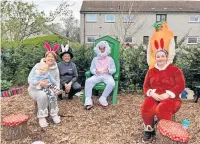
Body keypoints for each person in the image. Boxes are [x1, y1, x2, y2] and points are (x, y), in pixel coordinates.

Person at [140, 42, 185, 141]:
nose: (160, 58)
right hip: (155, 95)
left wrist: (167, 94)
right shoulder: (151, 71)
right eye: (158, 57)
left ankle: (164, 131)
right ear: (155, 58)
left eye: (162, 56)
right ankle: (149, 130)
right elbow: (146, 86)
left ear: (166, 57)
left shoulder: (175, 70)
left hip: (171, 97)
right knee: (146, 107)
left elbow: (180, 85)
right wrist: (152, 93)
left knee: (162, 109)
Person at [28, 42, 61, 128]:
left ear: (55, 59)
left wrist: (56, 88)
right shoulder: (38, 66)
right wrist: (39, 83)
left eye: (53, 57)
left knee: (52, 93)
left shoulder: (55, 69)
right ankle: (42, 117)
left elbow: (56, 81)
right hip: (35, 88)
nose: (50, 58)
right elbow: (30, 79)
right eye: (48, 56)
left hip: (48, 87)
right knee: (42, 95)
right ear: (45, 57)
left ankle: (54, 114)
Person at [84, 41, 116, 110]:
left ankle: (103, 98)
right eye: (100, 49)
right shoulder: (95, 59)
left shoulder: (110, 59)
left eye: (103, 49)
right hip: (97, 75)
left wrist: (109, 71)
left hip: (107, 75)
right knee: (88, 81)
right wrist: (95, 71)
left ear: (106, 49)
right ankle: (88, 101)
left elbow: (114, 69)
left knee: (112, 83)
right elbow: (92, 68)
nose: (102, 50)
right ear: (98, 49)